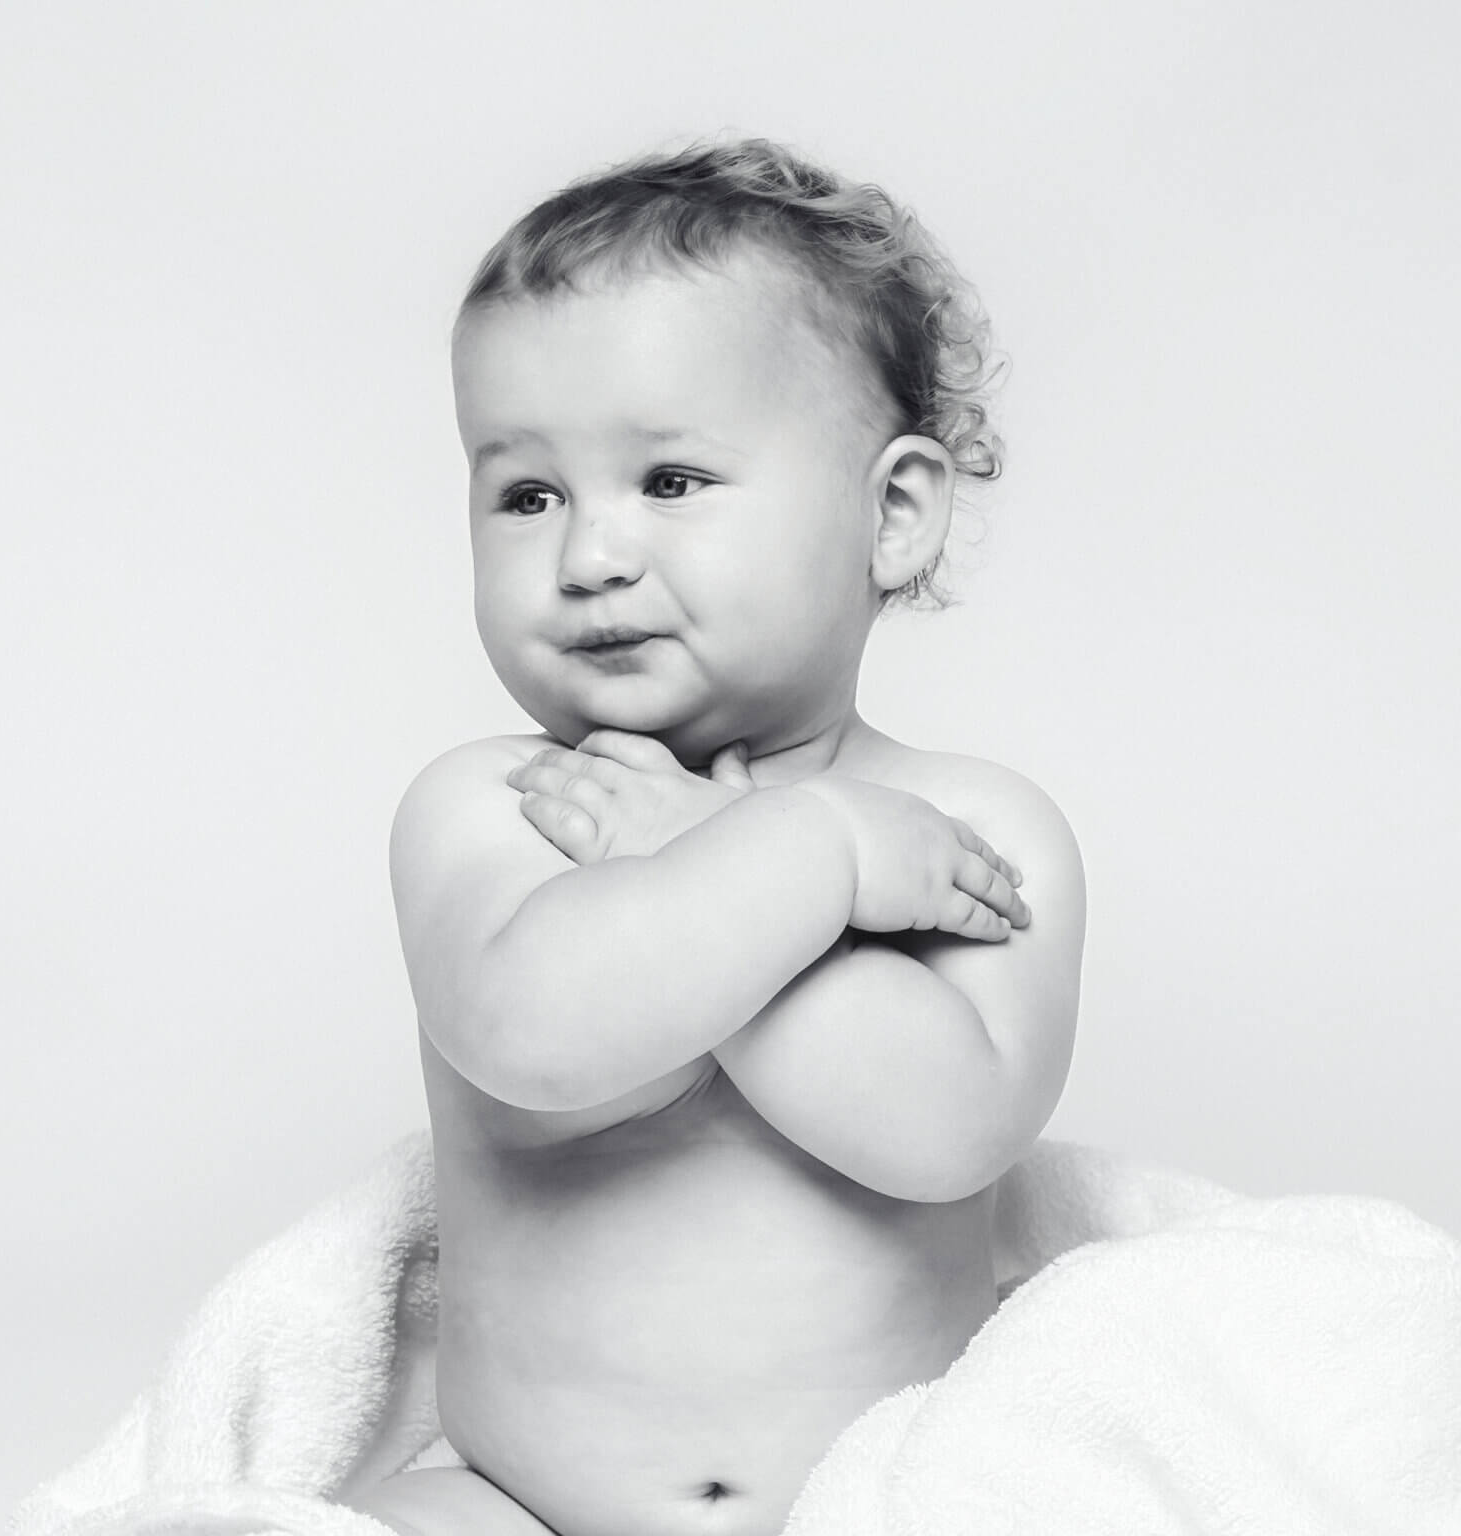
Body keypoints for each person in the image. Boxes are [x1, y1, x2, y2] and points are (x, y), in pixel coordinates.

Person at [343, 137, 1086, 1536]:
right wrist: (815, 855)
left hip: (883, 1503)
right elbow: (542, 1037)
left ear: (895, 515)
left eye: (671, 480)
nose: (591, 556)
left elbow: (939, 1130)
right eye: (526, 493)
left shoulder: (983, 830)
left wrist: (714, 845)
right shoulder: (496, 811)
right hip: (523, 1501)